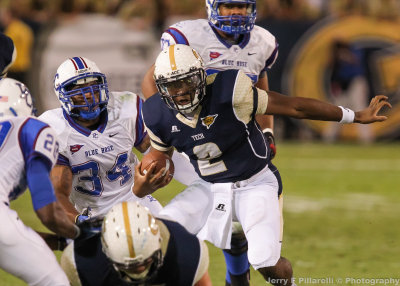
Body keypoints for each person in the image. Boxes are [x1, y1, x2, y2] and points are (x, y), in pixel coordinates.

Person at [138, 44, 390, 286]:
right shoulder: (156, 114)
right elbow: (161, 155)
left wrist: (353, 116)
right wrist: (143, 184)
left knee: (264, 261)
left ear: (201, 77)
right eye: (172, 85)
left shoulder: (231, 92)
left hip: (254, 182)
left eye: (186, 81)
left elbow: (295, 107)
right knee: (156, 236)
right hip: (210, 187)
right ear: (161, 89)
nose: (180, 91)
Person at [140, 1, 279, 283]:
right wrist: (174, 124)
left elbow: (262, 89)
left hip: (237, 140)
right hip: (195, 142)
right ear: (212, 6)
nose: (236, 12)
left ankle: (238, 269)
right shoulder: (187, 36)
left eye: (242, 6)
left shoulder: (263, 42)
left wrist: (267, 133)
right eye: (229, 6)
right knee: (201, 214)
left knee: (238, 220)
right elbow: (153, 79)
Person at [39, 56, 168, 223]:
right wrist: (80, 221)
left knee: (171, 239)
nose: (88, 96)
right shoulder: (53, 129)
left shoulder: (126, 107)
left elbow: (159, 146)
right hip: (90, 214)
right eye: (79, 91)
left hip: (136, 199)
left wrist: (158, 169)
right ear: (63, 95)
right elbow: (57, 193)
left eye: (93, 87)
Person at [0, 77, 82, 285]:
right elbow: (46, 210)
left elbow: (18, 238)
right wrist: (80, 234)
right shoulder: (31, 128)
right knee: (56, 281)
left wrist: (60, 241)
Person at [60, 201, 212, 286]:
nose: (139, 270)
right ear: (106, 250)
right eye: (129, 266)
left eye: (146, 262)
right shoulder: (80, 264)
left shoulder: (187, 253)